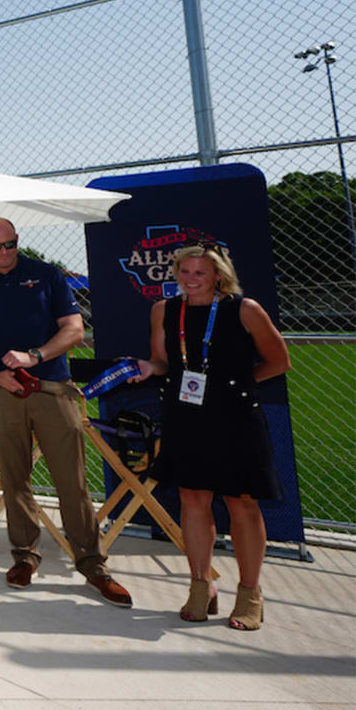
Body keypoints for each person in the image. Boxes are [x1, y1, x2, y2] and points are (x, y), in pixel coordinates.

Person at [0, 217, 132, 607]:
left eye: (10, 244)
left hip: (52, 387)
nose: (4, 253)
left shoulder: (47, 275)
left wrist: (35, 356)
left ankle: (92, 562)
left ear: (18, 240)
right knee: (14, 477)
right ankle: (25, 555)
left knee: (72, 480)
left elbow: (74, 330)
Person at [132, 244, 288, 630]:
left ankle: (250, 593)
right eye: (184, 272)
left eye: (199, 273)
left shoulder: (245, 309)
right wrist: (146, 368)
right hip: (186, 417)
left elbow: (279, 362)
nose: (190, 279)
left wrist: (234, 388)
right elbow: (164, 363)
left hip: (236, 419)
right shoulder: (163, 311)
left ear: (218, 275)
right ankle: (201, 586)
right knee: (193, 498)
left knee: (242, 503)